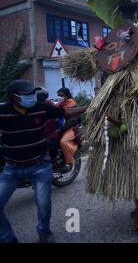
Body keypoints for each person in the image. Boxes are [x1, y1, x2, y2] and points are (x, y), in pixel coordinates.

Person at [0, 80, 86, 243]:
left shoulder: (41, 107)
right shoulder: (3, 112)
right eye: (27, 94)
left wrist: (89, 107)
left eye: (33, 93)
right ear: (14, 97)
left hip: (39, 166)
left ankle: (44, 232)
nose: (32, 96)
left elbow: (65, 113)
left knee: (43, 204)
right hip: (11, 169)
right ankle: (7, 238)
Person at [56, 88, 80, 170]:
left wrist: (62, 128)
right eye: (58, 95)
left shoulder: (72, 104)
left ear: (67, 96)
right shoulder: (59, 105)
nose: (59, 97)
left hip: (71, 128)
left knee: (63, 142)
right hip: (61, 128)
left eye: (61, 95)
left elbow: (74, 120)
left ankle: (69, 162)